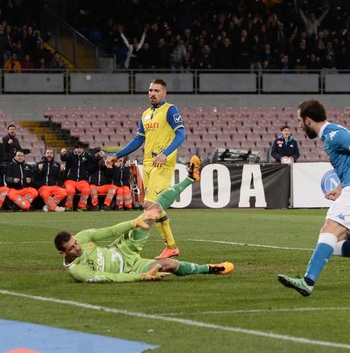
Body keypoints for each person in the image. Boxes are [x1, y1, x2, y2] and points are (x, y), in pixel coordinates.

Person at [54, 156, 234, 283]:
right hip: (130, 269)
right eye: (72, 248)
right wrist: (141, 276)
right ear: (63, 253)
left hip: (123, 248)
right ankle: (210, 268)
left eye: (75, 242)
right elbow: (113, 278)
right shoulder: (78, 272)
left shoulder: (83, 237)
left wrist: (134, 223)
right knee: (168, 265)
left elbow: (109, 232)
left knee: (152, 211)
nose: (77, 247)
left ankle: (190, 178)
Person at [278, 99, 350, 296]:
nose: (298, 126)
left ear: (308, 120)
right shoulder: (330, 135)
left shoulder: (332, 133)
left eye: (299, 121)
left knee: (327, 230)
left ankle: (307, 281)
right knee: (335, 244)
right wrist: (340, 187)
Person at [106, 78, 186, 259]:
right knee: (155, 206)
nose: (152, 93)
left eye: (156, 91)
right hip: (148, 164)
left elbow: (181, 134)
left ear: (164, 93)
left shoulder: (170, 110)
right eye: (150, 90)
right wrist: (118, 155)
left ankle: (133, 247)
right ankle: (171, 247)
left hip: (163, 163)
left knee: (148, 206)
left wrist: (165, 153)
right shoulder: (145, 114)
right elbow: (138, 139)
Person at [60, 141, 93, 211]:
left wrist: (99, 156)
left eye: (81, 148)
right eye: (77, 148)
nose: (79, 150)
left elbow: (94, 159)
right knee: (70, 191)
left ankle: (81, 206)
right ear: (74, 149)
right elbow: (64, 158)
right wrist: (62, 154)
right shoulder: (70, 155)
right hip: (70, 180)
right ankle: (68, 206)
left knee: (86, 190)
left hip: (82, 180)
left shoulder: (87, 155)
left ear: (83, 149)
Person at [34, 148, 66, 212]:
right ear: (45, 154)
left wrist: (62, 171)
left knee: (64, 192)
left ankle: (47, 206)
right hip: (43, 186)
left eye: (51, 153)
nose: (49, 155)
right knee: (45, 194)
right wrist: (39, 170)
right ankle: (55, 208)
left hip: (54, 186)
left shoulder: (57, 165)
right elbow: (36, 178)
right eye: (48, 153)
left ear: (53, 155)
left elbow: (61, 178)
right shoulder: (39, 164)